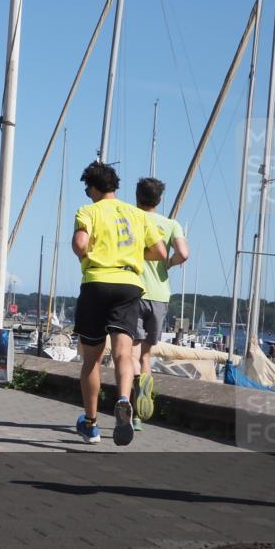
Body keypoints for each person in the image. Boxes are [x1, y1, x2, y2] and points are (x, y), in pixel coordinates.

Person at [72, 162, 166, 446]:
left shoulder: (88, 211)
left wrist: (90, 255)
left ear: (93, 187)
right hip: (129, 286)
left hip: (97, 282)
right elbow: (160, 251)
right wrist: (135, 255)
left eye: (87, 187)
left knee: (92, 359)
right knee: (125, 354)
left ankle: (90, 425)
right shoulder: (138, 215)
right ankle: (124, 399)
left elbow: (79, 244)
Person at [132, 177, 189, 430]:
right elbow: (184, 253)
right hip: (159, 294)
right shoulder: (171, 224)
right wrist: (168, 263)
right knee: (145, 355)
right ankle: (142, 404)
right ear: (159, 199)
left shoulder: (132, 218)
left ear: (137, 196)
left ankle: (132, 408)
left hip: (133, 291)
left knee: (129, 352)